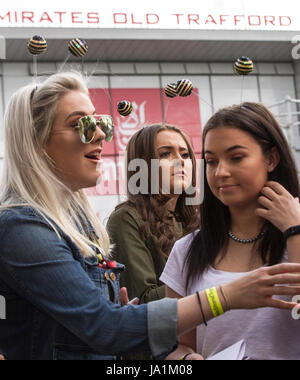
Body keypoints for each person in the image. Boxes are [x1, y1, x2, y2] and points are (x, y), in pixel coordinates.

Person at [0, 76, 300, 361]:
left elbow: (109, 324)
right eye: (82, 124)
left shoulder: (82, 224)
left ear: (272, 159)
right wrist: (221, 296)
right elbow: (111, 328)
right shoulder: (29, 228)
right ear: (36, 141)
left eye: (185, 154)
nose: (102, 133)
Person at [161, 102, 300, 360]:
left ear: (271, 158)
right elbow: (178, 345)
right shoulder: (187, 250)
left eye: (236, 158)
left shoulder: (295, 235)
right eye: (211, 161)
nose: (220, 172)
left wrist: (294, 230)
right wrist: (187, 359)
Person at [107, 124, 200, 305]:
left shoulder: (197, 216)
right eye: (166, 154)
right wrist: (209, 280)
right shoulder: (126, 219)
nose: (179, 160)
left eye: (185, 154)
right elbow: (142, 300)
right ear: (143, 164)